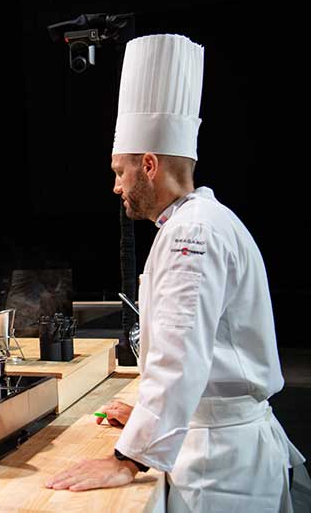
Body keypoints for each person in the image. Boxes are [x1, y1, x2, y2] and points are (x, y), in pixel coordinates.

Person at [45, 34, 304, 511]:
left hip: (219, 467)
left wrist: (127, 459)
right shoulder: (202, 221)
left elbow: (180, 358)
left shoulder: (193, 234)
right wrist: (146, 415)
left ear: (149, 164)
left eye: (120, 172)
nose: (115, 186)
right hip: (217, 442)